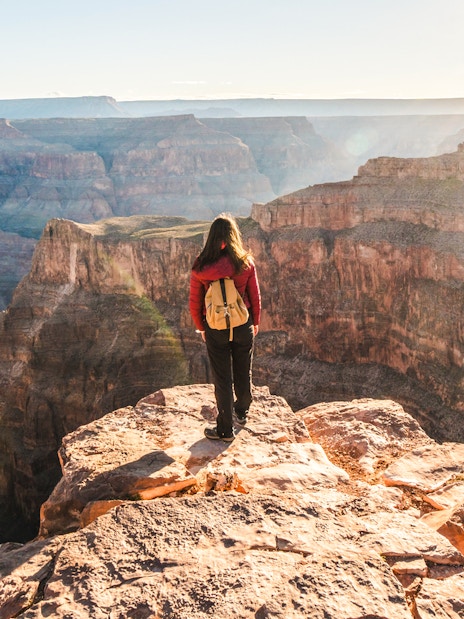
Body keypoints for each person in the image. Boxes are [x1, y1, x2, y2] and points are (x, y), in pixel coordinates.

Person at [189, 214, 261, 442]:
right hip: (242, 324)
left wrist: (202, 327)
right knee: (243, 369)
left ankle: (225, 430)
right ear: (233, 236)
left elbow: (195, 302)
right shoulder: (245, 262)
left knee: (222, 378)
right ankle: (242, 410)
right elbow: (255, 296)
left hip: (215, 327)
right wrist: (255, 321)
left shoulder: (201, 266)